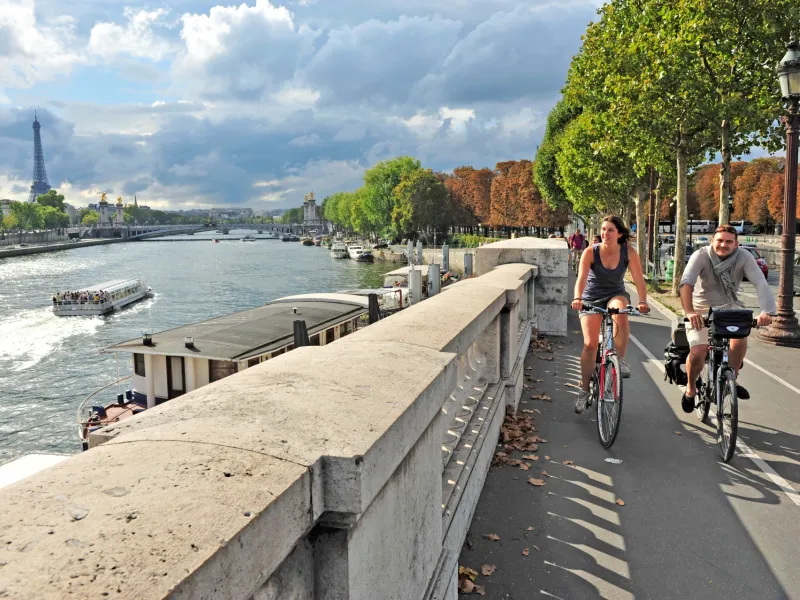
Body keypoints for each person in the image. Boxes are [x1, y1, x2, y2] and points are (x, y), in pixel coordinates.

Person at [677, 224, 776, 411]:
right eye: (719, 241)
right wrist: (689, 311)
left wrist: (766, 311)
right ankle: (690, 388)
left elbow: (761, 283)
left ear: (736, 244)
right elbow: (686, 283)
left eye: (729, 242)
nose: (723, 245)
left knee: (739, 343)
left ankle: (732, 377)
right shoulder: (701, 255)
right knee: (698, 353)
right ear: (712, 241)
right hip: (701, 310)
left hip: (730, 309)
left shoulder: (744, 256)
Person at [571, 216, 650, 413]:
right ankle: (584, 390)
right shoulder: (591, 251)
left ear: (620, 234)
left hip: (615, 293)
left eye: (610, 230)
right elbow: (581, 278)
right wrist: (577, 298)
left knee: (620, 312)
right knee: (590, 345)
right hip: (591, 297)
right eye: (604, 230)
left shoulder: (628, 252)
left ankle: (620, 360)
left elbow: (639, 279)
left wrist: (642, 301)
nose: (605, 233)